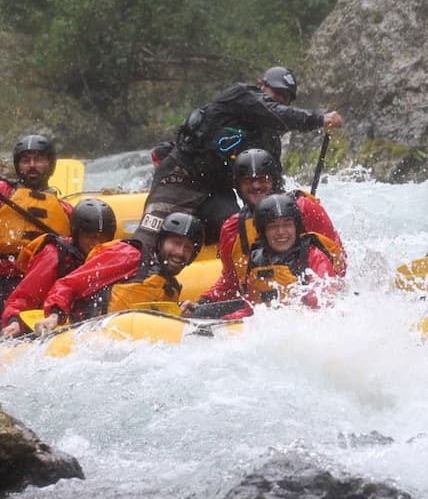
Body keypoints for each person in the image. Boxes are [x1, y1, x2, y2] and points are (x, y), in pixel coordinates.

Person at [133, 66, 344, 249]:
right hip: (181, 176)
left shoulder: (269, 143)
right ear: (261, 85)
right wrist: (319, 119)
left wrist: (287, 214)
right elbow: (273, 112)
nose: (279, 100)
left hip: (216, 191)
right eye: (276, 92)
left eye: (285, 98)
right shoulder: (241, 95)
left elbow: (270, 187)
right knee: (151, 235)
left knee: (235, 229)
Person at [181, 148, 345, 315]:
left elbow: (338, 261)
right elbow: (232, 281)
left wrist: (320, 294)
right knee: (200, 314)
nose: (256, 186)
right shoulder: (232, 229)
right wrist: (204, 302)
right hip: (260, 304)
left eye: (262, 179)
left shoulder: (305, 209)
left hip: (310, 296)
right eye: (248, 181)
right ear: (238, 186)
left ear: (274, 180)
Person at [0, 134, 73, 330]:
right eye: (25, 160)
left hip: (41, 285)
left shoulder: (64, 209)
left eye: (38, 159)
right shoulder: (0, 191)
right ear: (17, 165)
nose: (32, 165)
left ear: (50, 163)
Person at [33, 212, 203, 333]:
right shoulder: (129, 256)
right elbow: (69, 284)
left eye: (187, 248)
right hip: (85, 334)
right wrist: (54, 315)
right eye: (175, 243)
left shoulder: (171, 287)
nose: (180, 252)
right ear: (161, 242)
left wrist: (178, 310)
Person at [0, 198, 117, 337]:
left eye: (102, 238)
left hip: (86, 322)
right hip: (48, 323)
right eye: (90, 237)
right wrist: (14, 321)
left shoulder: (113, 254)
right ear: (76, 234)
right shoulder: (53, 255)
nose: (96, 243)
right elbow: (23, 297)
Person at [215, 193, 343, 318]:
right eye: (272, 226)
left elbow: (325, 307)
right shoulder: (256, 259)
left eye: (287, 224)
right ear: (262, 232)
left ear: (296, 227)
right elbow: (251, 307)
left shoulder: (313, 257)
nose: (281, 232)